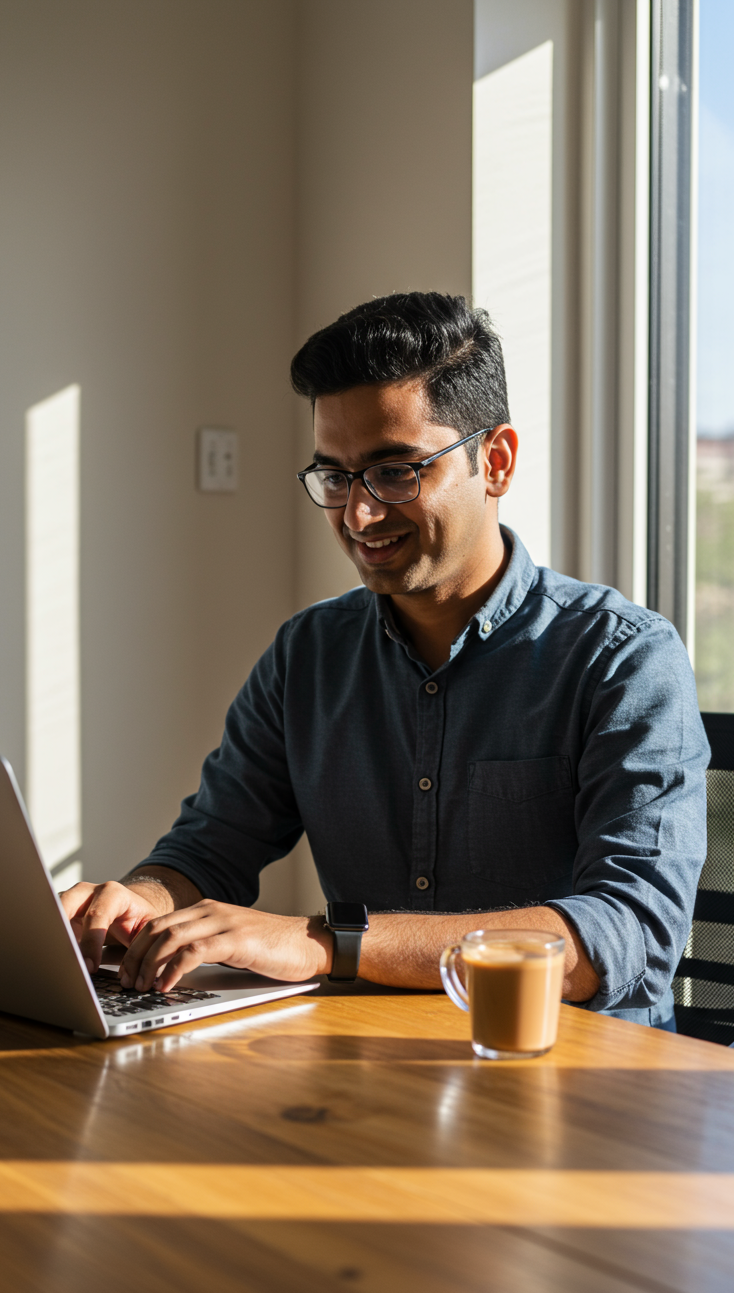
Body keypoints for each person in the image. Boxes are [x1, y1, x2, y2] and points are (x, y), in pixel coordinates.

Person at [61, 292, 709, 1028]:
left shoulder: (621, 658)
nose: (359, 515)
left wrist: (326, 943)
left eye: (396, 471)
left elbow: (629, 934)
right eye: (335, 477)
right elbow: (212, 847)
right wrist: (137, 901)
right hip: (367, 1068)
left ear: (494, 462)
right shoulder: (307, 656)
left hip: (575, 1087)